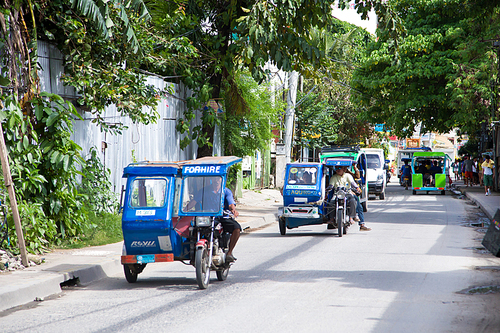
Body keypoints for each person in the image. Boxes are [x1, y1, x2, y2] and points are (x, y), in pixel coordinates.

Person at [186, 177, 241, 262]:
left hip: (222, 217)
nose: (216, 181)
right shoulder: (204, 190)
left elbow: (231, 203)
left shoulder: (226, 191)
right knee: (194, 228)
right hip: (208, 218)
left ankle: (229, 253)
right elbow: (194, 201)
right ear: (212, 180)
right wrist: (184, 210)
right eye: (215, 179)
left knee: (237, 228)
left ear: (222, 180)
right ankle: (194, 254)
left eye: (218, 179)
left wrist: (233, 210)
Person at [329, 165, 371, 231]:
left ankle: (352, 218)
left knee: (353, 201)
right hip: (337, 194)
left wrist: (357, 187)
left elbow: (353, 182)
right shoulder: (333, 177)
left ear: (344, 169)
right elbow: (331, 185)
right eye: (336, 168)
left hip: (347, 193)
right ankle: (331, 219)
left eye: (340, 168)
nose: (338, 169)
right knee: (331, 202)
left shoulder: (348, 175)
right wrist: (329, 188)